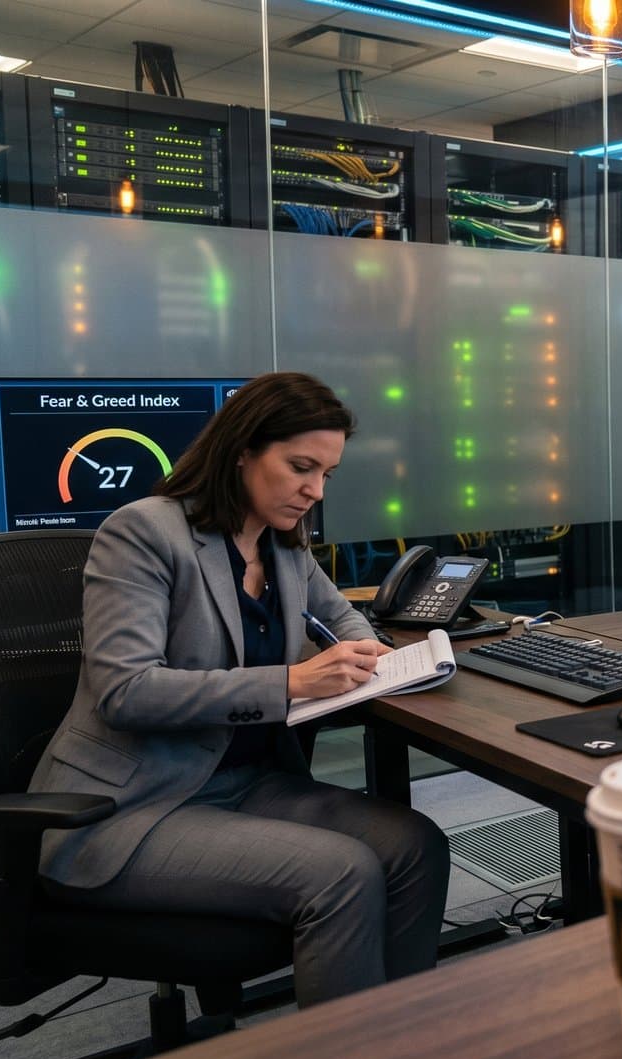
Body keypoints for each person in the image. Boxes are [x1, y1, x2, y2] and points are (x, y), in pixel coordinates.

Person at [29, 372, 451, 1007]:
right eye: (300, 467)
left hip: (246, 785)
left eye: (327, 474)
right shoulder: (142, 532)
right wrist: (290, 682)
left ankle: (398, 1038)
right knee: (341, 874)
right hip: (130, 806)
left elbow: (342, 619)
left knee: (417, 846)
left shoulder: (282, 545)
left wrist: (367, 653)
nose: (313, 490)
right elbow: (126, 689)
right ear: (242, 450)